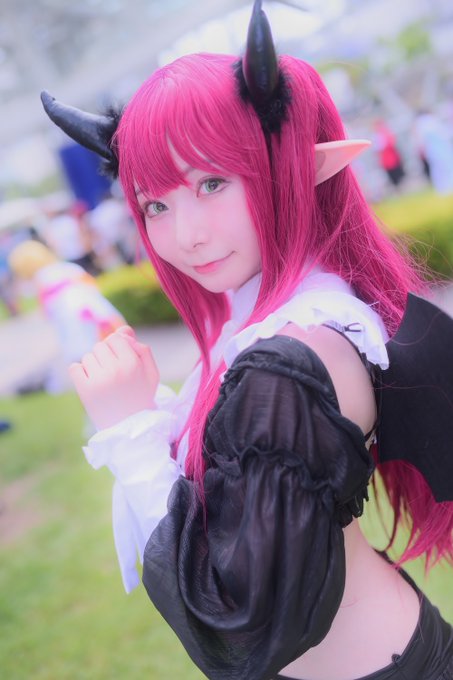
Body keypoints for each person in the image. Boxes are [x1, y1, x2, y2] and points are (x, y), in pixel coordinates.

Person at [40, 2, 453, 678]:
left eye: (212, 182)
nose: (185, 235)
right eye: (155, 204)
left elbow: (236, 624)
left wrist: (130, 431)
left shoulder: (288, 365)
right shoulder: (289, 311)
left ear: (286, 167)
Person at [8, 240, 125, 393]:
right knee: (113, 354)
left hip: (75, 321)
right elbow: (92, 285)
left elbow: (49, 311)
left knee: (88, 363)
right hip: (98, 312)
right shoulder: (67, 267)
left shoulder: (42, 279)